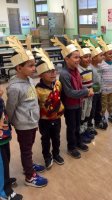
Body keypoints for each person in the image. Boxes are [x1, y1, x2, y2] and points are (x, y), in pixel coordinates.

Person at [6, 36, 48, 187]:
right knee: (26, 150)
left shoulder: (28, 79)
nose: (34, 69)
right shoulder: (15, 87)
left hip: (31, 121)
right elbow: (10, 107)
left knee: (28, 148)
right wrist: (9, 123)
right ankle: (30, 176)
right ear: (19, 68)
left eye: (34, 65)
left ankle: (28, 165)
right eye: (30, 66)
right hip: (23, 125)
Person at [51, 37, 93, 159]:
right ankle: (71, 147)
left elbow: (79, 85)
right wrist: (85, 91)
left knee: (78, 124)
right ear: (66, 59)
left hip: (78, 103)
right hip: (70, 105)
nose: (78, 59)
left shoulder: (76, 70)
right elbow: (69, 92)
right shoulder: (64, 74)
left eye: (79, 57)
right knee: (71, 126)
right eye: (75, 57)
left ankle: (78, 141)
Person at [35, 48, 65, 169]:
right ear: (41, 74)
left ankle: (56, 154)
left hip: (57, 117)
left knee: (56, 137)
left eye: (54, 71)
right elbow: (36, 106)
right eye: (49, 71)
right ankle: (47, 157)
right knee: (46, 139)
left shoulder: (58, 84)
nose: (53, 73)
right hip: (44, 120)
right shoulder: (37, 90)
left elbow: (60, 96)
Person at [0, 86, 23, 200]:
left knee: (6, 159)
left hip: (3, 136)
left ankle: (5, 179)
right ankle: (5, 191)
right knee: (2, 163)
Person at [72, 40, 95, 144]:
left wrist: (92, 89)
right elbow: (79, 86)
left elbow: (91, 82)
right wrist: (86, 91)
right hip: (83, 98)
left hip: (90, 96)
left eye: (90, 56)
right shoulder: (78, 70)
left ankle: (85, 130)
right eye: (85, 57)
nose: (89, 59)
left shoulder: (90, 67)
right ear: (80, 59)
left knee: (87, 113)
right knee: (82, 115)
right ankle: (80, 133)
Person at [85, 40, 106, 130]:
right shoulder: (90, 68)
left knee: (98, 108)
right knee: (91, 110)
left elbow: (100, 79)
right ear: (93, 58)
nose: (103, 57)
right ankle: (89, 124)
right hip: (93, 93)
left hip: (99, 92)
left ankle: (97, 122)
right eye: (101, 55)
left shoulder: (100, 67)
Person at [97, 37, 112, 127]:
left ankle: (110, 115)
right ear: (104, 55)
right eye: (109, 53)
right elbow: (99, 76)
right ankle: (102, 116)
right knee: (103, 104)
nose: (111, 55)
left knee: (111, 103)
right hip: (104, 89)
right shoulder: (101, 64)